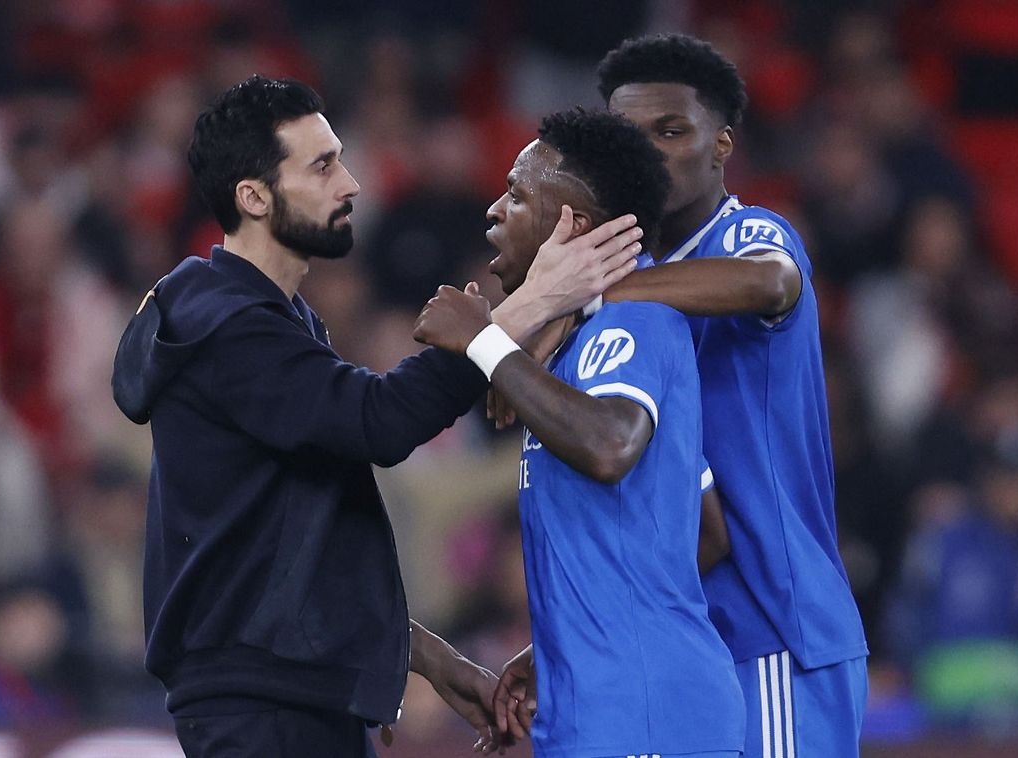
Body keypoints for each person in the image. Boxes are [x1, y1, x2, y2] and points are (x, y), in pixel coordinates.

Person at [109, 76, 638, 757]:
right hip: (263, 706)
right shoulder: (230, 327)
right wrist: (524, 308)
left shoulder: (272, 320)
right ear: (254, 196)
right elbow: (378, 422)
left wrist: (424, 662)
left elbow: (294, 541)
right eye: (323, 165)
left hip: (292, 693)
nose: (351, 183)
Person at [489, 35, 870, 757]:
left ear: (720, 143)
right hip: (688, 641)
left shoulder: (747, 232)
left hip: (774, 624)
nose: (653, 153)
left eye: (672, 131)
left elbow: (770, 283)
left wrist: (571, 299)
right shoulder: (626, 293)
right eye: (632, 137)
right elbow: (690, 524)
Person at [414, 107, 744, 758]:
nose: (493, 211)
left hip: (645, 709)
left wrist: (485, 343)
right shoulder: (571, 360)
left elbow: (609, 446)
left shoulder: (634, 318)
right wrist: (566, 633)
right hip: (602, 703)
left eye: (515, 194)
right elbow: (704, 531)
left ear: (574, 226)